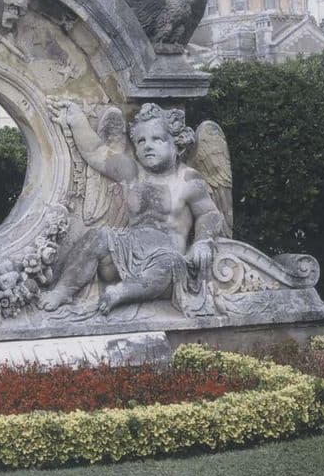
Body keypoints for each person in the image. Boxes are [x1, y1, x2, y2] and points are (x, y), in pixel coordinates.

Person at [40, 99, 224, 316]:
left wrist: (203, 241)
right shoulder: (132, 172)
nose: (148, 146)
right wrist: (77, 119)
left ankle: (120, 292)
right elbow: (95, 152)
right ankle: (63, 290)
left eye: (157, 139)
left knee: (169, 264)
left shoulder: (188, 179)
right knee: (98, 236)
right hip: (127, 250)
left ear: (176, 143)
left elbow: (209, 213)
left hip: (164, 258)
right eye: (141, 141)